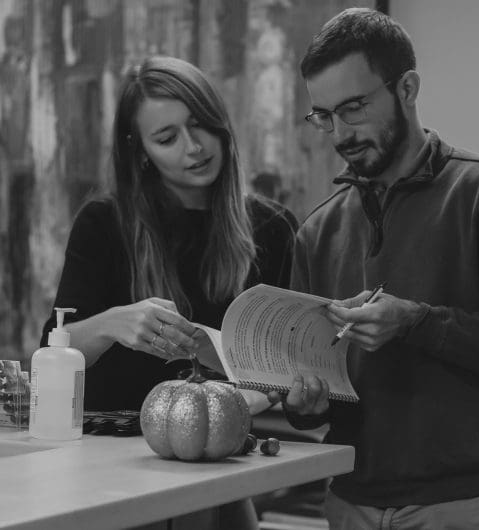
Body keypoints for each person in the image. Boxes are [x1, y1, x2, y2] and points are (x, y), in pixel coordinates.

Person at [274, 8, 479, 530]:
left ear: (407, 88)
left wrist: (417, 322)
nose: (340, 133)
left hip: (462, 505)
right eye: (324, 115)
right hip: (347, 498)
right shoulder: (316, 232)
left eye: (354, 108)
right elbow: (312, 390)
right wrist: (302, 403)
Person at [41, 55, 297, 530]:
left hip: (217, 464)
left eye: (200, 125)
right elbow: (55, 347)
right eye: (167, 138)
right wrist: (112, 323)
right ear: (140, 151)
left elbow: (286, 369)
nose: (194, 147)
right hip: (108, 467)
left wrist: (260, 394)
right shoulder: (104, 223)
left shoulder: (274, 229)